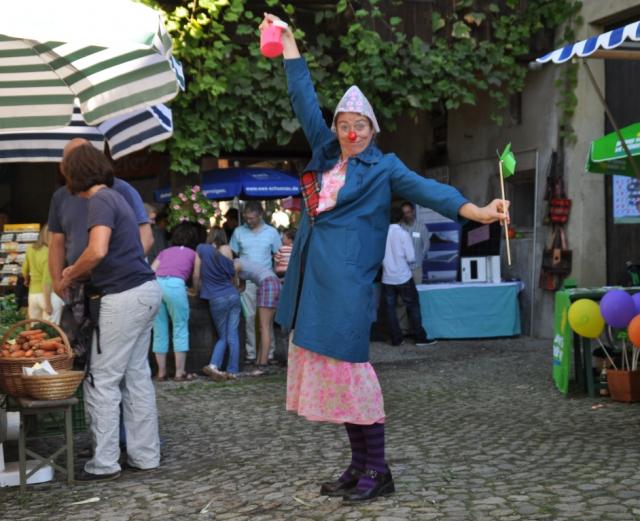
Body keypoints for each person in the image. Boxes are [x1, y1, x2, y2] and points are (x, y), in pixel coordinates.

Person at [263, 13, 510, 503]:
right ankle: (359, 465)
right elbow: (302, 97)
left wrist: (477, 211)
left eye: (359, 125)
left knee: (352, 373)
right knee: (335, 380)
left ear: (373, 129)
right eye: (343, 125)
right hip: (313, 281)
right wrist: (289, 41)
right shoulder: (325, 152)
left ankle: (379, 469)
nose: (351, 132)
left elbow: (431, 191)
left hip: (349, 283)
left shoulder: (385, 168)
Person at [58, 142, 162, 482]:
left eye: (66, 169)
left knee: (101, 379)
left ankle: (103, 463)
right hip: (144, 290)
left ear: (76, 173)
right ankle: (145, 456)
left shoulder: (100, 200)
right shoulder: (116, 196)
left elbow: (97, 249)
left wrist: (70, 273)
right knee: (136, 376)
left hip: (123, 296)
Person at [229, 201, 281, 363]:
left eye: (252, 218)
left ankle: (268, 354)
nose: (248, 221)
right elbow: (233, 257)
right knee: (250, 317)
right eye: (246, 218)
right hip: (248, 280)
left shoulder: (272, 232)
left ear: (260, 215)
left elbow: (278, 256)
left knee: (266, 320)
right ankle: (251, 354)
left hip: (267, 279)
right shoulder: (238, 231)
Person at [151, 222, 199, 382]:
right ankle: (179, 373)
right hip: (176, 286)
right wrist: (194, 290)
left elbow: (151, 270)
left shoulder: (164, 252)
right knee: (180, 327)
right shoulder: (193, 254)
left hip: (156, 285)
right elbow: (196, 276)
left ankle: (161, 373)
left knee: (159, 330)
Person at [194, 227, 241, 381]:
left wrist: (195, 290)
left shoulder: (202, 249)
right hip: (233, 295)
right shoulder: (227, 250)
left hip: (217, 298)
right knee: (232, 334)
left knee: (223, 336)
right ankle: (232, 371)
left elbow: (196, 274)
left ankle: (214, 365)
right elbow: (233, 275)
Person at [381, 207, 433, 347]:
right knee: (413, 306)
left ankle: (396, 339)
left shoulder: (381, 234)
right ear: (401, 218)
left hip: (387, 277)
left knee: (390, 309)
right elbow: (411, 257)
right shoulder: (403, 234)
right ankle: (419, 338)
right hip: (403, 276)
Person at [233, 257, 281, 372]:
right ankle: (259, 361)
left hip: (267, 284)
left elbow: (233, 279)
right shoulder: (242, 266)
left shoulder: (235, 263)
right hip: (273, 283)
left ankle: (262, 365)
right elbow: (241, 288)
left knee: (264, 328)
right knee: (264, 327)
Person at [21, 224, 63, 321]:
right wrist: (48, 304)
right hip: (48, 296)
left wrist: (26, 280)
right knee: (50, 328)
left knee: (34, 328)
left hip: (33, 295)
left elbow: (24, 269)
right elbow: (47, 279)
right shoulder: (51, 252)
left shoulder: (30, 248)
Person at [400, 201, 430, 284]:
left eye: (408, 212)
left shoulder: (421, 227)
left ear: (413, 212)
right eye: (404, 213)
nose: (406, 215)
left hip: (417, 268)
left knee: (418, 289)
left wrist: (420, 258)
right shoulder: (400, 227)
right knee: (404, 291)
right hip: (403, 268)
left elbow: (426, 244)